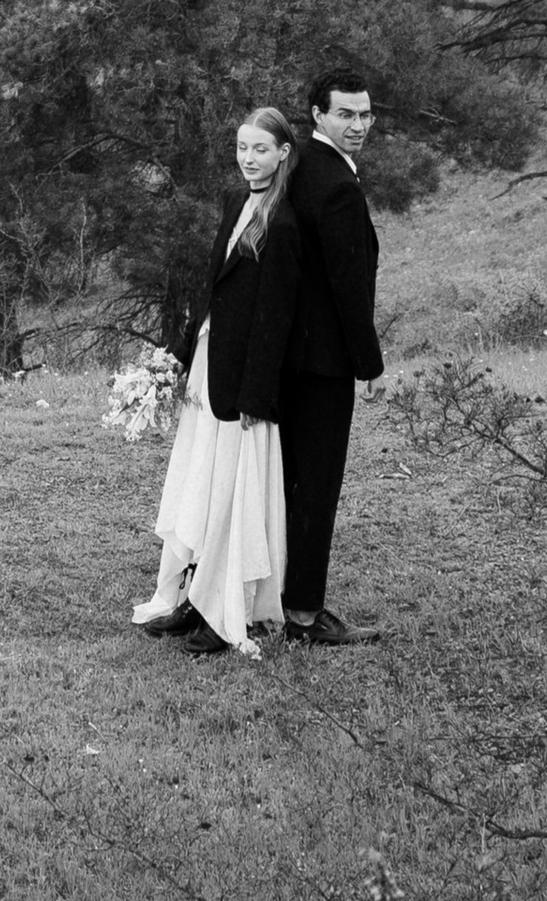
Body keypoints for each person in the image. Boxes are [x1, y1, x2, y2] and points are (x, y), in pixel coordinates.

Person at [131, 105, 299, 658]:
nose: (249, 159)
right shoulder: (235, 203)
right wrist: (177, 356)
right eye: (242, 148)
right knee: (200, 480)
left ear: (283, 154)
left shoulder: (285, 221)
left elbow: (276, 318)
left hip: (244, 381)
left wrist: (256, 394)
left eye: (260, 149)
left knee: (232, 489)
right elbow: (212, 288)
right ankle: (189, 594)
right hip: (209, 363)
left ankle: (222, 610)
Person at [279, 63, 383, 646]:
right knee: (316, 485)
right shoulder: (338, 185)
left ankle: (282, 598)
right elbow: (349, 286)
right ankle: (303, 614)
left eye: (366, 114)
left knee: (290, 483)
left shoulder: (299, 166)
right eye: (346, 113)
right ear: (317, 115)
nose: (359, 124)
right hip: (321, 365)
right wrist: (369, 365)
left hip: (290, 355)